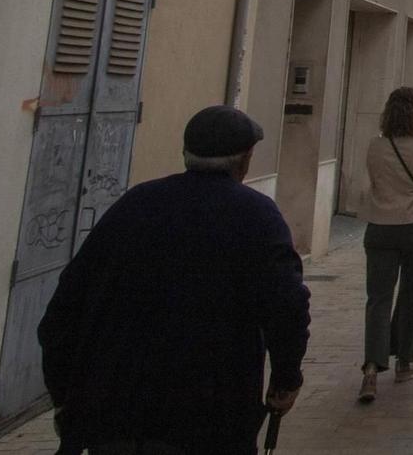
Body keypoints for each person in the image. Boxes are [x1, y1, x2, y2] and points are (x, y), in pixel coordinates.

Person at [39, 105, 310, 455]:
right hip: (208, 413)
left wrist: (66, 397)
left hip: (118, 411)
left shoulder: (136, 204)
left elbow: (64, 308)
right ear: (245, 160)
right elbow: (286, 304)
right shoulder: (256, 215)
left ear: (186, 155)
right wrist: (287, 378)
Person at [357, 86, 413, 403]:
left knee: (377, 298)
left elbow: (375, 178)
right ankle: (405, 361)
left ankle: (371, 367)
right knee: (410, 293)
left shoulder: (375, 146)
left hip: (379, 227)